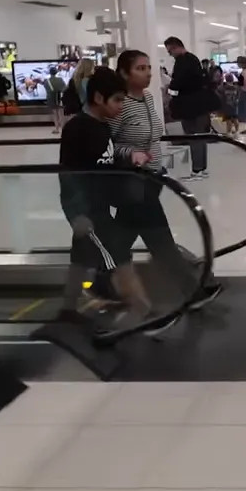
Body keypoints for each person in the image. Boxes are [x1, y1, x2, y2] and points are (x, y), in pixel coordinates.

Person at [110, 49, 221, 313]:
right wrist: (131, 154)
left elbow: (154, 135)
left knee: (121, 238)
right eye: (140, 68)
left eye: (149, 67)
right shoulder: (118, 104)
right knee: (160, 239)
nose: (148, 73)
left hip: (153, 177)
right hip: (134, 181)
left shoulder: (147, 99)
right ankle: (191, 290)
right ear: (124, 73)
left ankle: (95, 276)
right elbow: (109, 144)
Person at [58, 65, 155, 337]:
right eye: (117, 100)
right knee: (120, 258)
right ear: (98, 98)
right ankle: (143, 310)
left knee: (79, 259)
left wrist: (129, 158)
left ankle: (67, 310)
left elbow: (104, 163)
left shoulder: (101, 127)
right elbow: (68, 176)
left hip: (98, 207)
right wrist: (76, 214)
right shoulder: (78, 128)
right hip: (89, 213)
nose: (121, 106)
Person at [165, 36, 215, 180]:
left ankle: (197, 170)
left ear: (175, 47)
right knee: (200, 136)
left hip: (189, 106)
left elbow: (177, 83)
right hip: (200, 104)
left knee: (193, 136)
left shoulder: (182, 61)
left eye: (170, 51)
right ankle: (202, 168)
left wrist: (171, 92)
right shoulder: (194, 59)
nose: (170, 54)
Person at [46, 66, 66, 133]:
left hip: (51, 98)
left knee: (55, 114)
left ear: (50, 73)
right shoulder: (60, 79)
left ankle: (57, 128)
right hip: (60, 98)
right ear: (56, 72)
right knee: (61, 114)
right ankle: (63, 128)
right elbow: (65, 88)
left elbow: (47, 90)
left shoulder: (47, 81)